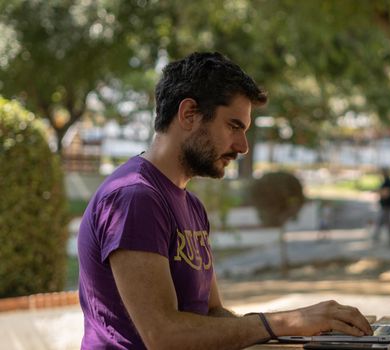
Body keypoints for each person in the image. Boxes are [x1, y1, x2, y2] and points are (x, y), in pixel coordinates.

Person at [77, 52, 372, 350]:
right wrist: (287, 321)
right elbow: (165, 336)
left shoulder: (191, 206)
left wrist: (301, 332)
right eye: (234, 126)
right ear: (189, 114)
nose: (242, 146)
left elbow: (211, 313)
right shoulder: (134, 198)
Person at [372, 167, 390, 246]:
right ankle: (376, 237)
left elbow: (386, 194)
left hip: (387, 206)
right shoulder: (386, 182)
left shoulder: (388, 182)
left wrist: (378, 191)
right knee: (382, 222)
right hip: (385, 205)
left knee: (386, 223)